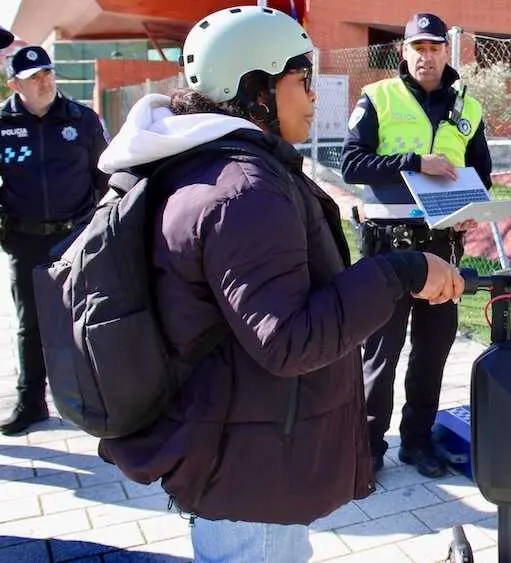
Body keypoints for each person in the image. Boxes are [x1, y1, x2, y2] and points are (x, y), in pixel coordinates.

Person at [94, 6, 463, 561]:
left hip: (240, 440)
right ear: (257, 87)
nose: (315, 95)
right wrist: (403, 270)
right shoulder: (244, 189)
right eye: (302, 79)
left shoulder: (215, 166)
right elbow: (289, 339)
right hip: (250, 462)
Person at [341, 11, 492, 478]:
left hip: (443, 248)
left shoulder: (469, 107)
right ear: (403, 52)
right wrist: (414, 162)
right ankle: (365, 450)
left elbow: (481, 172)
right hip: (389, 248)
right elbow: (351, 164)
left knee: (433, 350)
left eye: (435, 48)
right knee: (380, 354)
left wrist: (472, 206)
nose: (427, 57)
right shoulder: (377, 98)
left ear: (448, 51)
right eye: (418, 48)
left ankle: (417, 442)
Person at [0, 45, 109, 435]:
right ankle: (32, 403)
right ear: (15, 84)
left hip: (76, 238)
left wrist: (102, 228)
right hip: (25, 240)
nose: (45, 81)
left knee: (83, 320)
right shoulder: (2, 122)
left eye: (48, 73)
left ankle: (94, 402)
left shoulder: (82, 120)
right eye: (34, 78)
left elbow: (107, 177)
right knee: (31, 326)